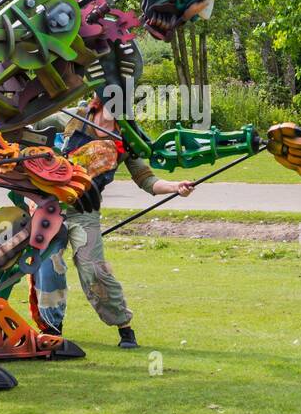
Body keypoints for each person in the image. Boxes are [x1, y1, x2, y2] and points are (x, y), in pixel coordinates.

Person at [31, 95, 194, 349]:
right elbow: (25, 131)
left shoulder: (126, 136)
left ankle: (124, 328)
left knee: (93, 269)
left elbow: (146, 179)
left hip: (85, 211)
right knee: (50, 266)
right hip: (47, 206)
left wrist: (176, 186)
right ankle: (52, 331)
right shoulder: (70, 117)